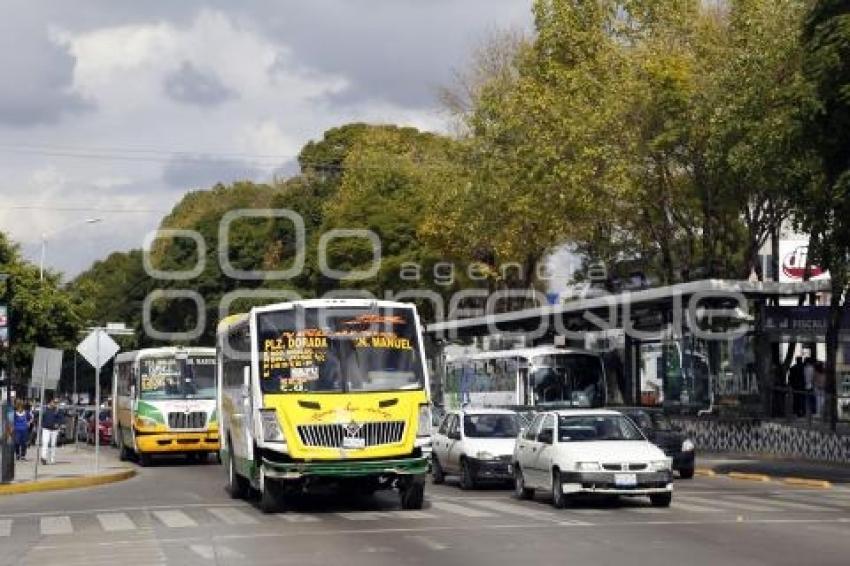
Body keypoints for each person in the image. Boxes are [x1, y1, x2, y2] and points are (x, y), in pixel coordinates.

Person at [40, 398, 61, 465]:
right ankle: (44, 457)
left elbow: (61, 419)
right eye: (54, 402)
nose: (55, 404)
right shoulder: (45, 409)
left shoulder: (57, 410)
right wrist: (42, 425)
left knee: (53, 445)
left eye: (57, 403)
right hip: (46, 429)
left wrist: (59, 424)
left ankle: (52, 459)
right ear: (50, 402)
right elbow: (40, 417)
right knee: (45, 443)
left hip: (54, 430)